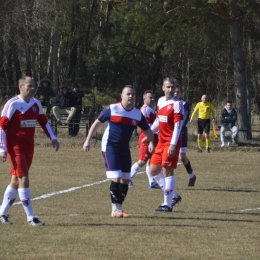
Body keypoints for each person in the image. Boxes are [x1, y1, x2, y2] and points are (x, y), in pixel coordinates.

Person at [83, 85, 154, 218]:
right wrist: (88, 140)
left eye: (133, 94)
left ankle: (119, 208)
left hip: (124, 148)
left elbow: (148, 129)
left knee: (126, 179)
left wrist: (151, 142)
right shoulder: (112, 108)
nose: (131, 96)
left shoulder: (137, 113)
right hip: (110, 146)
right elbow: (97, 123)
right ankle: (115, 209)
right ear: (122, 96)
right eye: (128, 94)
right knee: (116, 177)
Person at [0, 76, 59, 226]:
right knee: (24, 178)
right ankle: (31, 217)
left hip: (29, 147)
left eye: (33, 86)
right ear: (21, 87)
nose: (32, 88)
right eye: (29, 86)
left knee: (15, 179)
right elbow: (2, 127)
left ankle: (1, 213)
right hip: (15, 147)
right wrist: (2, 148)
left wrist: (53, 137)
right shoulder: (12, 104)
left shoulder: (36, 104)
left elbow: (44, 122)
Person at [147, 76, 183, 212]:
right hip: (161, 142)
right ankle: (174, 195)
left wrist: (173, 144)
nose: (170, 89)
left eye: (173, 87)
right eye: (168, 87)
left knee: (167, 171)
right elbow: (158, 120)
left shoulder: (177, 103)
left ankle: (167, 204)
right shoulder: (160, 101)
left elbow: (178, 125)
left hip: (171, 142)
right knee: (153, 170)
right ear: (163, 88)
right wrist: (149, 132)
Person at [129, 90, 160, 189]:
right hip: (146, 138)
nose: (152, 100)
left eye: (153, 98)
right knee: (142, 160)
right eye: (150, 98)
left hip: (153, 137)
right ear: (144, 99)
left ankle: (152, 182)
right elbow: (146, 125)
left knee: (150, 160)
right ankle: (127, 179)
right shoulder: (145, 109)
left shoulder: (151, 110)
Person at [174, 86, 197, 187]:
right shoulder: (167, 102)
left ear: (181, 93)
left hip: (181, 132)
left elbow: (186, 117)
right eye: (174, 91)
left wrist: (178, 129)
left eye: (178, 91)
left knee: (182, 158)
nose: (175, 93)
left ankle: (192, 176)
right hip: (170, 133)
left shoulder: (184, 103)